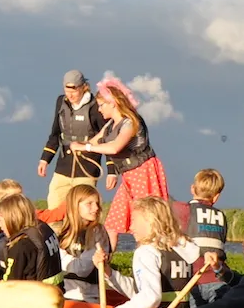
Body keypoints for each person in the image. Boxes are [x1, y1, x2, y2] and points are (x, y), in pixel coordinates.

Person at [70, 76, 170, 240]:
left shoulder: (130, 122)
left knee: (148, 221)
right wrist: (78, 145)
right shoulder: (110, 126)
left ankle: (151, 258)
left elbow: (115, 147)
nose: (100, 110)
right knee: (113, 223)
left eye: (102, 105)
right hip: (128, 177)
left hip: (143, 173)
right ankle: (104, 261)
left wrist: (85, 147)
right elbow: (93, 142)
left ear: (113, 103)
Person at [102, 196, 202, 308]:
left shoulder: (146, 252)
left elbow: (150, 297)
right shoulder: (181, 248)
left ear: (150, 222)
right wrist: (110, 274)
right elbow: (142, 290)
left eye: (134, 221)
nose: (130, 227)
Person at [37, 69, 105, 211]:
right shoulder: (61, 102)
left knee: (84, 212)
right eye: (67, 90)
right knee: (54, 207)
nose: (70, 94)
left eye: (74, 90)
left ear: (83, 87)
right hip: (63, 167)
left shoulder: (96, 106)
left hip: (86, 168)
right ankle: (56, 233)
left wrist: (111, 171)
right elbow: (55, 133)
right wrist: (45, 159)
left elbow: (106, 138)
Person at [57, 184, 120, 303]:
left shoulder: (98, 233)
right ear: (75, 206)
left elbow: (83, 269)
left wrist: (59, 255)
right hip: (63, 295)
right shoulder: (63, 232)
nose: (96, 208)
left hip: (87, 298)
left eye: (97, 203)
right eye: (89, 204)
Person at [0, 193, 60, 282]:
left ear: (12, 219)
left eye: (1, 220)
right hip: (54, 291)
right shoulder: (43, 230)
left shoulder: (20, 247)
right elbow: (4, 259)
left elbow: (10, 286)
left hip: (34, 294)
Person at [185, 169, 229, 278]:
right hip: (217, 276)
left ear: (192, 189)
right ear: (216, 196)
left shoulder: (185, 210)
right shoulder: (221, 216)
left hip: (192, 277)